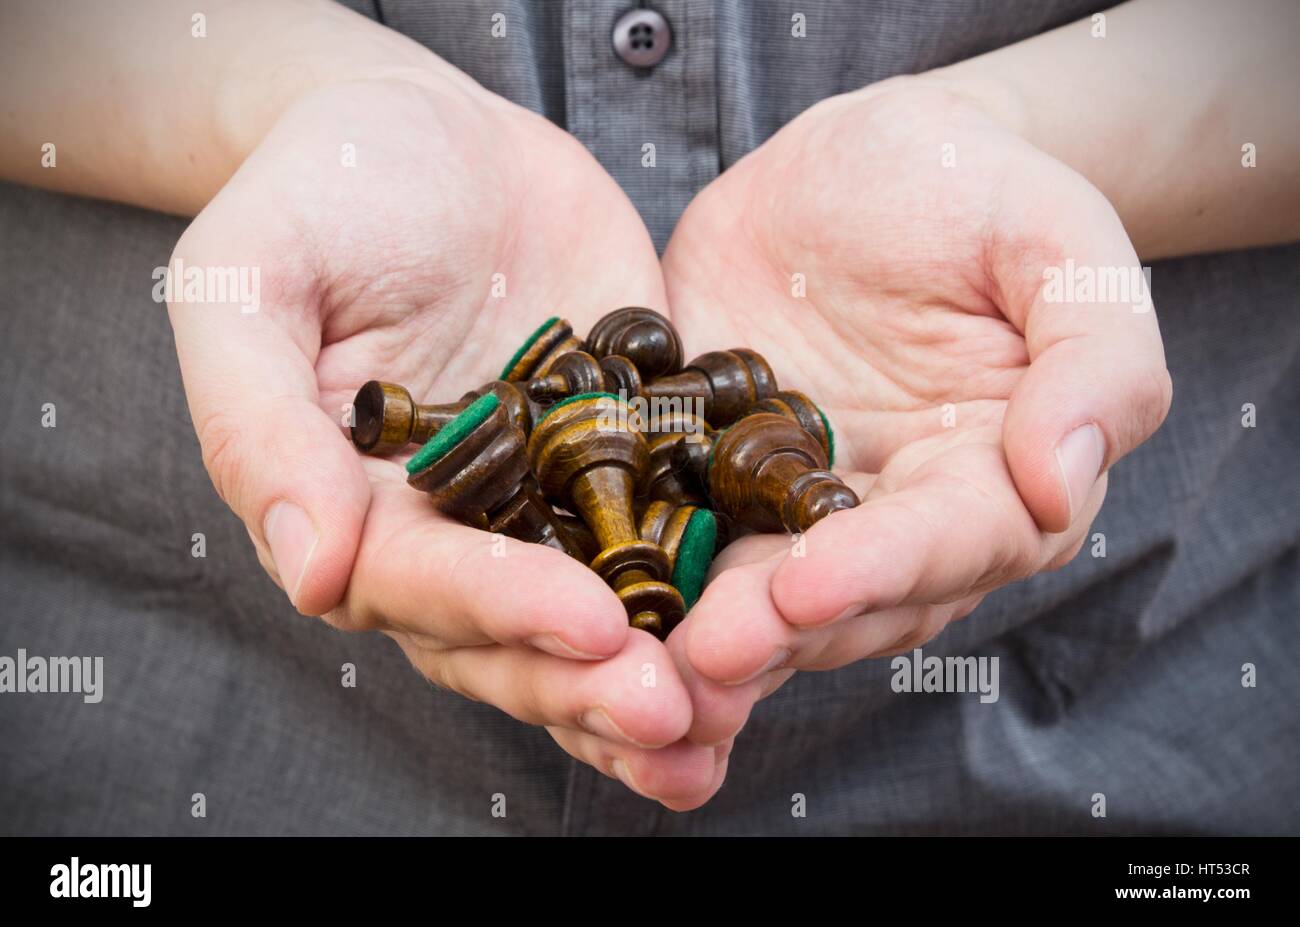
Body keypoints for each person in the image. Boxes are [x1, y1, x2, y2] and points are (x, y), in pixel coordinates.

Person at [0, 0, 1296, 833]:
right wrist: (294, 106)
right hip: (172, 743)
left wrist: (1016, 138)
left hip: (1107, 730)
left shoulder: (642, 428)